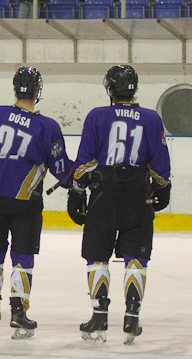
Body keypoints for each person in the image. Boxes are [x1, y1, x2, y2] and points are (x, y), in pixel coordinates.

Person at [68, 65, 171, 344]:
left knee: (97, 255)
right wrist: (163, 187)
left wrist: (77, 191)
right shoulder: (151, 118)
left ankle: (99, 317)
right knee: (136, 258)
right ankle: (132, 318)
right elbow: (160, 165)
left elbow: (85, 163)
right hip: (139, 194)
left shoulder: (97, 116)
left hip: (104, 194)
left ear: (110, 89)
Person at [0, 67, 70, 336]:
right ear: (38, 92)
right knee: (22, 256)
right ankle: (18, 311)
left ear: (15, 89)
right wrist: (78, 176)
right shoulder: (48, 126)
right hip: (26, 201)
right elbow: (61, 168)